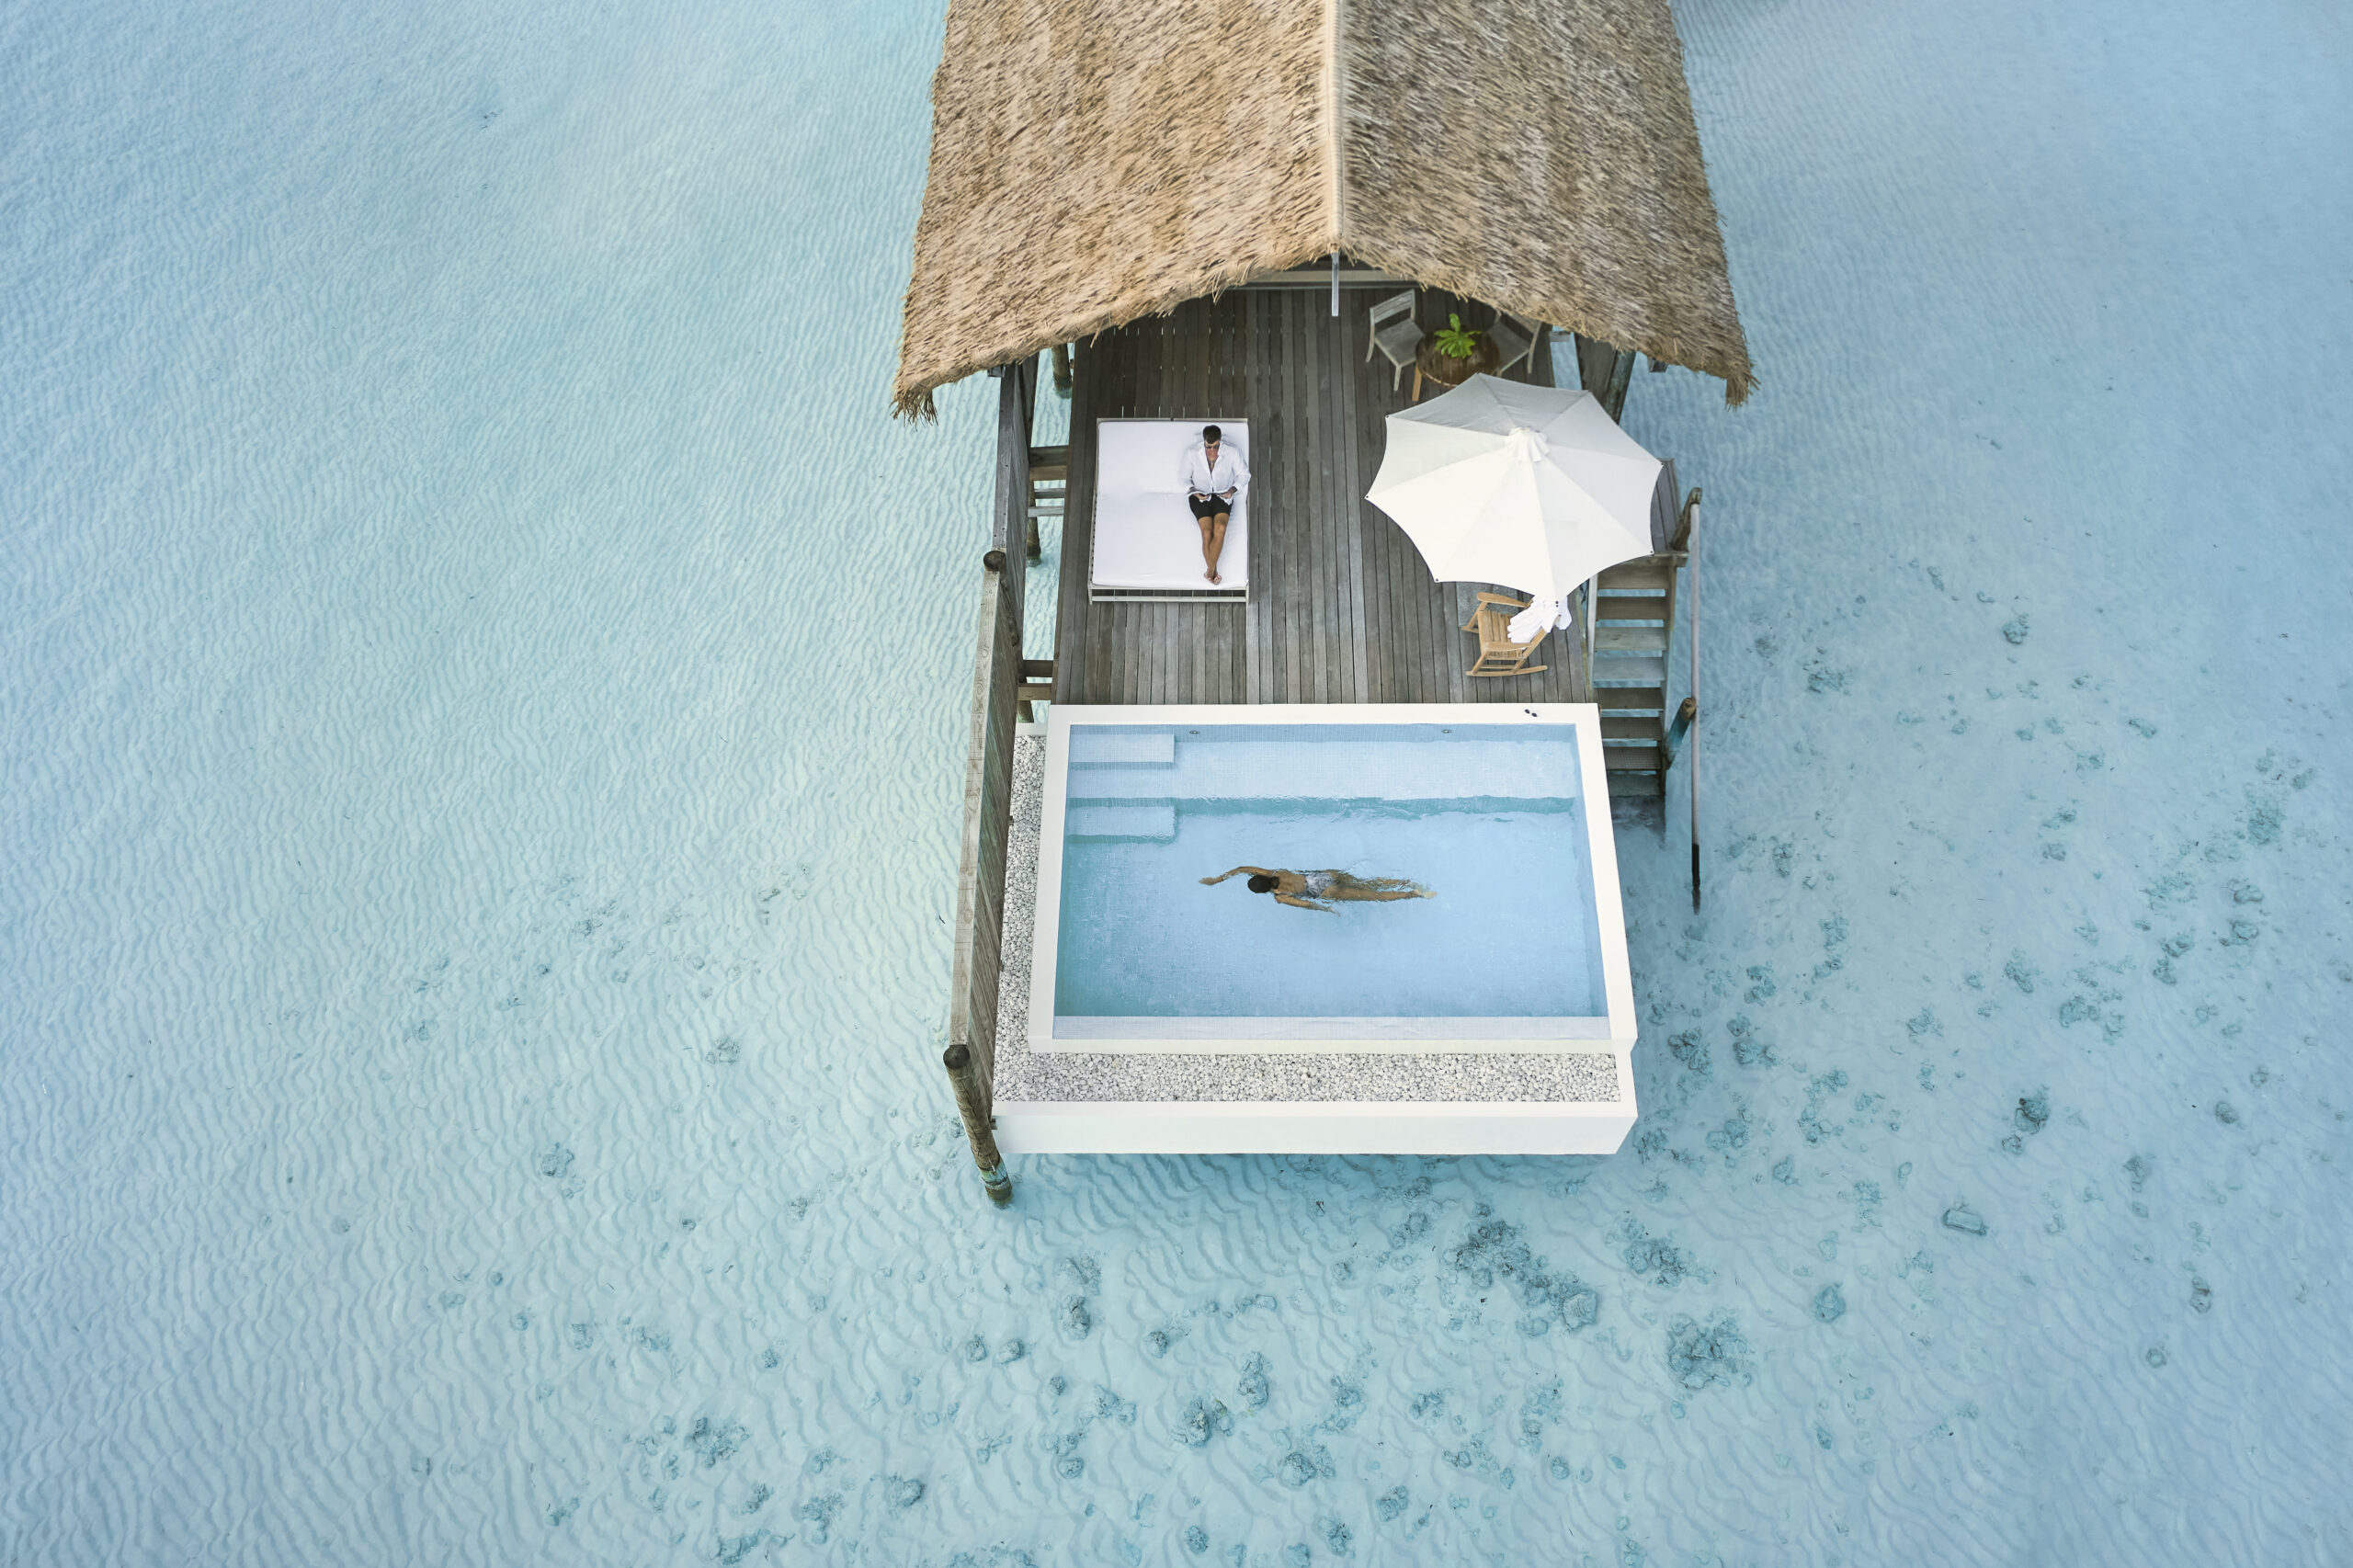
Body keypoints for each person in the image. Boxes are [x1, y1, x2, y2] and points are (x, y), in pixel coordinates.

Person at [1176, 424, 1248, 585]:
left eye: (1216, 447)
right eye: (1208, 447)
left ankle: (1210, 571)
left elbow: (1244, 474)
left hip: (1223, 495)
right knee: (1207, 532)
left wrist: (1232, 490)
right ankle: (1213, 570)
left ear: (1220, 441)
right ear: (1204, 442)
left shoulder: (1232, 452)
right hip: (1200, 496)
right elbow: (1183, 478)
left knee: (1220, 528)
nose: (1212, 451)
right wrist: (1193, 491)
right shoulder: (1192, 452)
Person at [1199, 865, 1434, 915]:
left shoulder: (1280, 897)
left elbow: (1306, 904)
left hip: (1327, 892)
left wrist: (1328, 910)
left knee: (1375, 897)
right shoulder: (1274, 872)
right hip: (1323, 876)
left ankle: (1415, 894)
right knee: (1369, 883)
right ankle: (1407, 882)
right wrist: (1218, 879)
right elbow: (1242, 868)